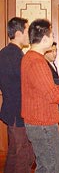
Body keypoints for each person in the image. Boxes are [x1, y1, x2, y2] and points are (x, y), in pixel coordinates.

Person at [21, 19, 59, 173]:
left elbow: (43, 88)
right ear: (44, 39)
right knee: (54, 168)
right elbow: (51, 95)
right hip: (43, 123)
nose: (53, 38)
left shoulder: (30, 58)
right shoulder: (37, 61)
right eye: (52, 35)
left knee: (46, 166)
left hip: (38, 121)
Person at [0, 17, 34, 173]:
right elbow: (32, 81)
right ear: (19, 33)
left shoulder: (6, 53)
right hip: (17, 113)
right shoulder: (16, 56)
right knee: (24, 156)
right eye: (28, 31)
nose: (30, 35)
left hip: (11, 111)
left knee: (14, 153)